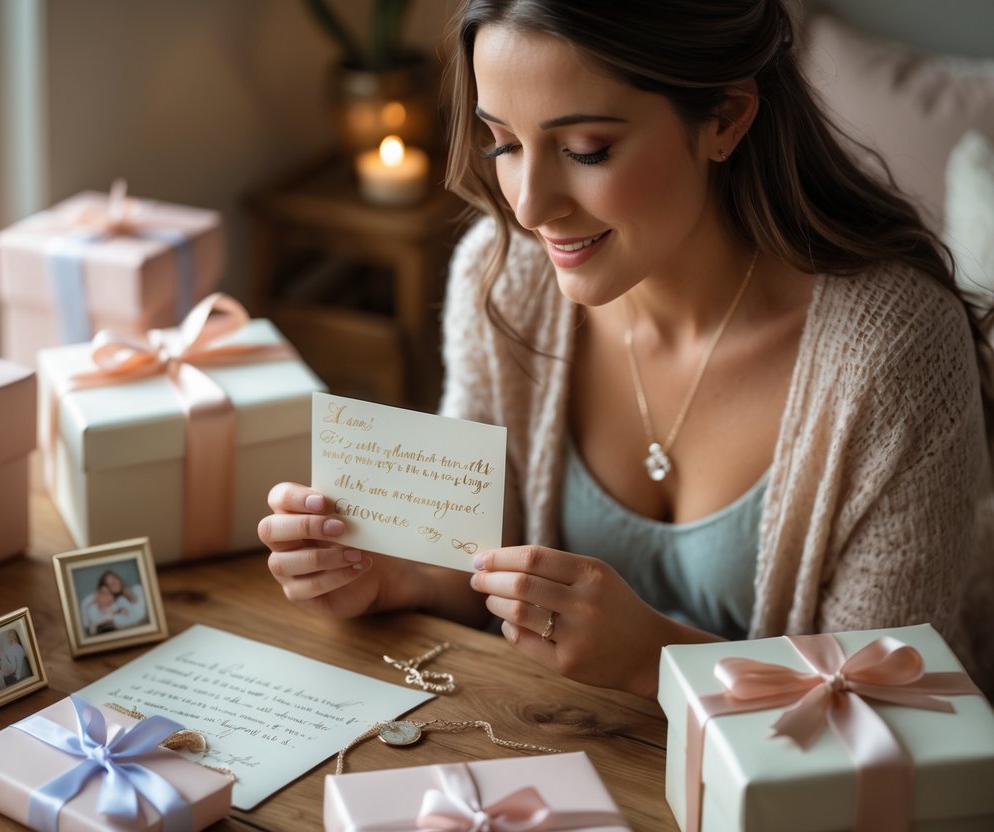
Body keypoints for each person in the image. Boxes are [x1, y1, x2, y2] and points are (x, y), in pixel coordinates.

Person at [259, 0, 994, 697]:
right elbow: (475, 556)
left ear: (725, 119)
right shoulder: (506, 274)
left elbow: (885, 701)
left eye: (586, 150)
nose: (528, 205)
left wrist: (654, 659)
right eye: (504, 143)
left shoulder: (896, 352)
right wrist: (393, 576)